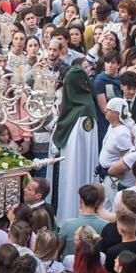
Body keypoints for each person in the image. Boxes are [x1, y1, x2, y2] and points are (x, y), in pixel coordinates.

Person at [51, 64, 100, 224]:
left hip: (76, 168)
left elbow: (82, 148)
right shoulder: (72, 108)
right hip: (63, 163)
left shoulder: (86, 111)